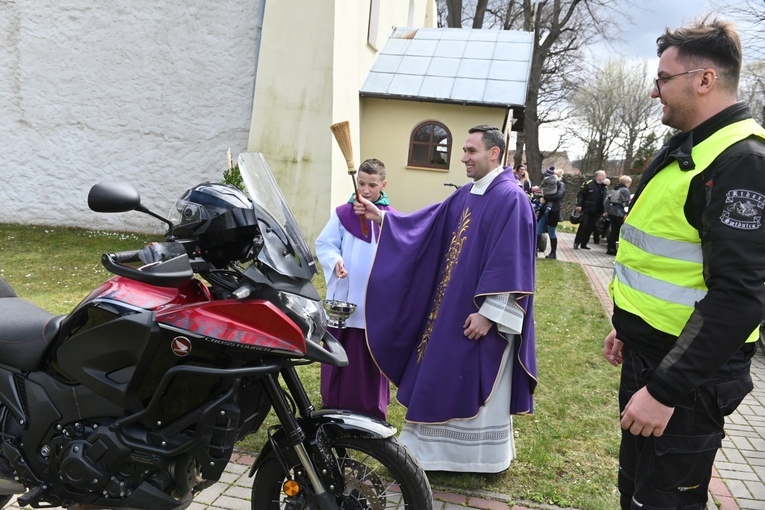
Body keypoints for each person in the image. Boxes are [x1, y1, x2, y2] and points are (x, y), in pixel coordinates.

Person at [603, 18, 765, 510]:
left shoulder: (741, 161)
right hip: (651, 356)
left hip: (686, 382)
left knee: (665, 502)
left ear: (704, 79)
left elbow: (740, 296)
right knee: (635, 491)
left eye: (662, 79)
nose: (655, 93)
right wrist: (630, 323)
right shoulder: (688, 147)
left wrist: (665, 390)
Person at [354, 125, 537, 473]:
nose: (464, 157)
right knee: (437, 369)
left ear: (494, 154)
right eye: (464, 151)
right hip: (449, 305)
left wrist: (490, 314)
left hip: (479, 315)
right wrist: (384, 218)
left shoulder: (510, 198)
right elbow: (429, 224)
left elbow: (510, 260)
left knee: (466, 372)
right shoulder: (468, 193)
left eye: (471, 150)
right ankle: (426, 452)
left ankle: (478, 459)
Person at [315, 158, 392, 421]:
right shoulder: (343, 214)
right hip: (346, 298)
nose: (366, 190)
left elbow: (400, 252)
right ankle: (335, 403)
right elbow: (325, 244)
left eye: (372, 185)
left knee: (369, 357)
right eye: (361, 183)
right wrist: (336, 262)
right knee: (341, 350)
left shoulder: (389, 219)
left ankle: (370, 409)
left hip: (374, 301)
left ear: (383, 184)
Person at [573, 170, 607, 250]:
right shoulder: (589, 183)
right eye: (603, 176)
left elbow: (605, 198)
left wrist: (604, 210)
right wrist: (579, 205)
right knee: (583, 225)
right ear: (597, 176)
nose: (604, 178)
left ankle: (584, 244)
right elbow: (580, 194)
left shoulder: (603, 186)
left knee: (590, 227)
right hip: (587, 209)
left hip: (597, 210)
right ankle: (577, 242)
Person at [536, 167, 566, 259]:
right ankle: (534, 251)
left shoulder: (561, 185)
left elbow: (558, 196)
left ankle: (553, 253)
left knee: (552, 232)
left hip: (553, 211)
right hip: (544, 210)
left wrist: (545, 197)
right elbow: (541, 191)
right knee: (538, 230)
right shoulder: (548, 185)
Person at [604, 175, 632, 255]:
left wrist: (606, 210)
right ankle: (613, 249)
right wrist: (627, 212)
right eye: (629, 183)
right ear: (627, 182)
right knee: (617, 232)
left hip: (612, 211)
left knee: (613, 231)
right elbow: (626, 203)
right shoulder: (625, 190)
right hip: (619, 213)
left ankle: (610, 248)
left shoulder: (615, 189)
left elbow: (607, 200)